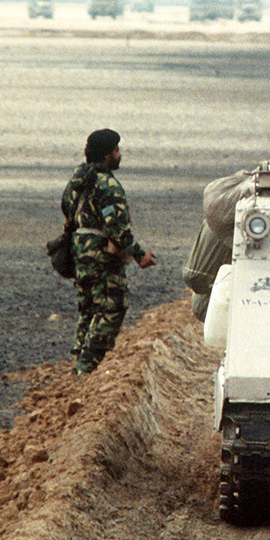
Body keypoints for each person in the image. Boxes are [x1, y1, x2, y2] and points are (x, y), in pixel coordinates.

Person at [60, 128, 156, 376]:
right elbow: (116, 226)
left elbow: (67, 209)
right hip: (102, 254)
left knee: (89, 306)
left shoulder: (79, 178)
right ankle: (87, 368)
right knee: (113, 307)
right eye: (116, 150)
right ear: (106, 156)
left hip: (80, 252)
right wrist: (138, 254)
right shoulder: (108, 185)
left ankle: (79, 359)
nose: (119, 154)